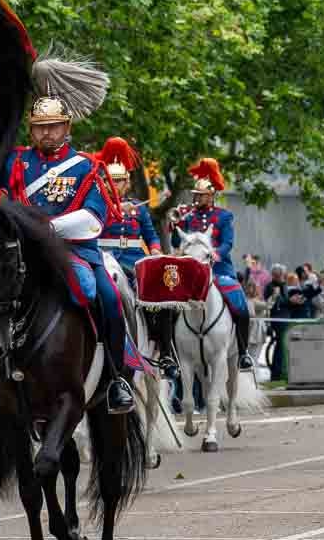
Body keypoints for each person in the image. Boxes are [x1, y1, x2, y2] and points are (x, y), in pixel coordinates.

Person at [0, 95, 136, 417]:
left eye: (53, 126)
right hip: (20, 256)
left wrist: (45, 230)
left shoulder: (87, 166)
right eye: (40, 127)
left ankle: (115, 380)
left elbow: (94, 219)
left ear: (66, 127)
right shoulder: (14, 162)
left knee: (107, 297)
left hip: (75, 252)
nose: (47, 133)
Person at [168, 158, 254, 369]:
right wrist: (175, 224)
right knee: (170, 307)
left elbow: (228, 242)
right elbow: (177, 242)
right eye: (196, 195)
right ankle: (170, 352)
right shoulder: (188, 216)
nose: (197, 199)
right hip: (191, 271)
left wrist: (217, 253)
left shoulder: (224, 216)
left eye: (201, 195)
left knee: (240, 305)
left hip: (219, 268)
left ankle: (243, 353)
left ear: (212, 194)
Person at [96, 137, 161, 288]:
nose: (112, 185)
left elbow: (151, 236)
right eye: (108, 181)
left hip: (134, 258)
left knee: (156, 289)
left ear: (126, 183)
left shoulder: (138, 207)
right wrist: (115, 208)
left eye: (117, 181)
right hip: (105, 257)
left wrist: (155, 250)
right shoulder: (97, 205)